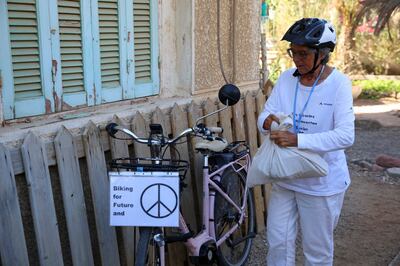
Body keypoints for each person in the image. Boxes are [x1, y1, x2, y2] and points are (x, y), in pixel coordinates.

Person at [257, 18, 355, 265]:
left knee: (316, 251)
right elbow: (265, 115)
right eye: (293, 52)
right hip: (286, 176)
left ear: (322, 54)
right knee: (278, 241)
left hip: (321, 183)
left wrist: (297, 139)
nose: (296, 59)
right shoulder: (287, 79)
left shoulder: (338, 84)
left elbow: (346, 136)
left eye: (303, 53)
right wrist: (268, 123)